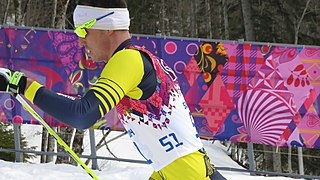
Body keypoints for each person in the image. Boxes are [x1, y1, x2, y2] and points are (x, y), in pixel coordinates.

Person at [0, 0, 225, 179]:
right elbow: (81, 105)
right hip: (179, 171)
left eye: (83, 31)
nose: (80, 41)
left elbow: (81, 114)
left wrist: (23, 85)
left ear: (108, 27)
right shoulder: (137, 59)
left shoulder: (128, 60)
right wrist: (20, 85)